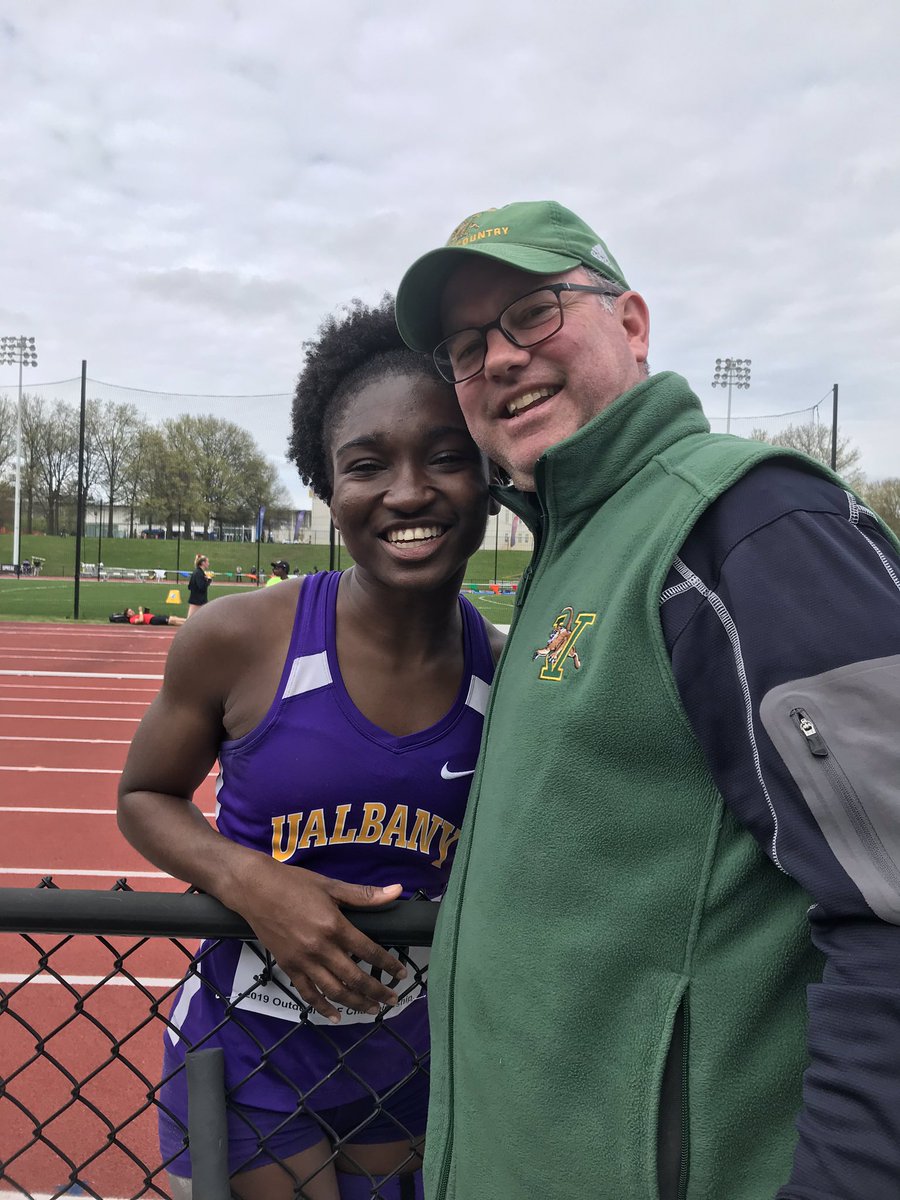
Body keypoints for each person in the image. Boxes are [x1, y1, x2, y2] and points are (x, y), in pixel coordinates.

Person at [394, 200, 900, 1200]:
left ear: (631, 324)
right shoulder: (575, 546)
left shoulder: (748, 523)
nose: (497, 358)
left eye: (534, 312)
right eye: (464, 345)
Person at [117, 297, 503, 1200]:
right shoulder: (235, 638)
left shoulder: (509, 671)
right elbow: (144, 797)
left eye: (447, 457)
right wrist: (252, 882)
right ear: (328, 489)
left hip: (414, 1051)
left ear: (488, 476)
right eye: (368, 465)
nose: (409, 492)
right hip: (250, 1042)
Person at [119, 606, 186, 627]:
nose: (132, 611)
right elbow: (141, 620)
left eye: (131, 610)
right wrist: (140, 611)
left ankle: (188, 620)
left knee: (173, 617)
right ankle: (186, 626)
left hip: (154, 617)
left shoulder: (136, 615)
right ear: (128, 615)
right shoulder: (132, 620)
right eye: (130, 612)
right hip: (153, 620)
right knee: (171, 621)